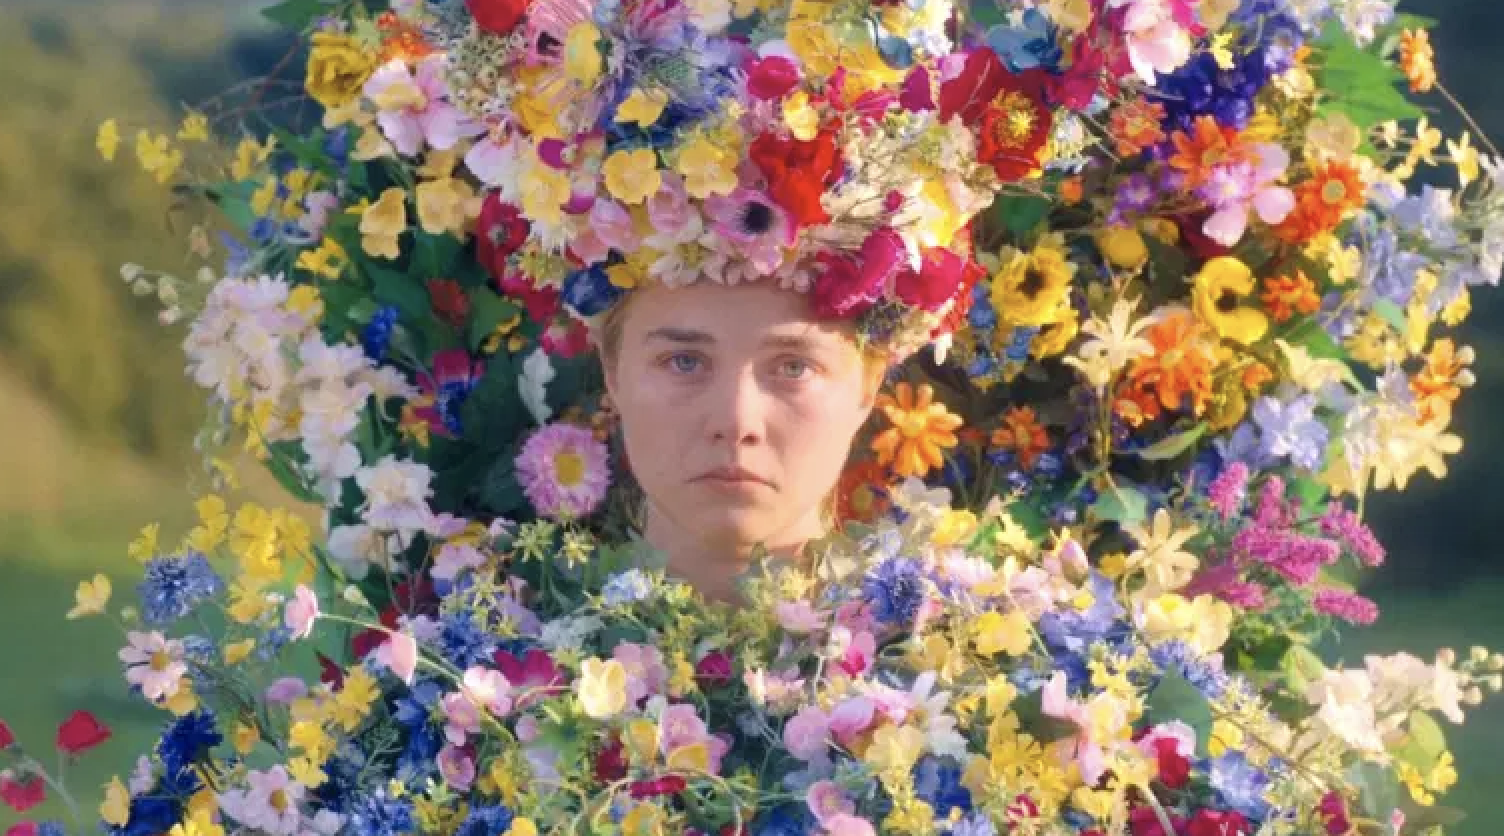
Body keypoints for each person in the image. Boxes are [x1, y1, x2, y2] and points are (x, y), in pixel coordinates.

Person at [596, 280, 887, 602]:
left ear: (867, 390)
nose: (736, 422)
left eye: (794, 367)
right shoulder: (530, 634)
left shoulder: (942, 645)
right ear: (612, 375)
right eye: (684, 361)